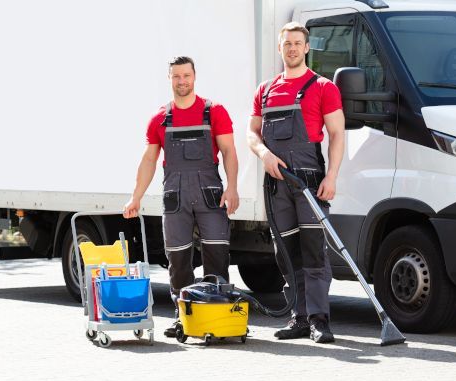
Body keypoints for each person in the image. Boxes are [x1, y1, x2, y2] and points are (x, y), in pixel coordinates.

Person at [124, 56, 239, 337]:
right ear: (169, 79)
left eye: (186, 76)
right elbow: (149, 160)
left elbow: (229, 152)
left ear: (194, 76)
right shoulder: (160, 118)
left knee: (216, 254)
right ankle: (183, 318)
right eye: (176, 76)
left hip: (209, 195)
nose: (182, 81)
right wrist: (135, 197)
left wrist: (233, 187)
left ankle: (219, 313)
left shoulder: (214, 111)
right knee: (178, 259)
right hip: (175, 196)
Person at [247, 22, 345, 343]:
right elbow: (252, 133)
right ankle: (299, 317)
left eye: (297, 43)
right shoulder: (266, 89)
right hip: (278, 187)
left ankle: (319, 320)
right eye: (286, 43)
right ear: (280, 48)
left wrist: (331, 177)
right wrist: (264, 154)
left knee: (314, 252)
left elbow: (336, 135)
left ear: (306, 48)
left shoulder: (323, 87)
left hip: (310, 184)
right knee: (286, 252)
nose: (291, 48)